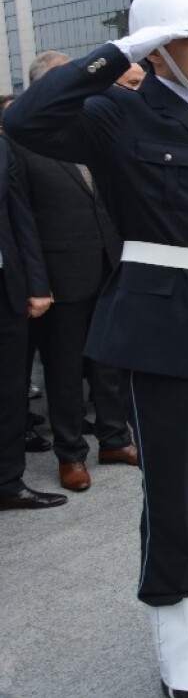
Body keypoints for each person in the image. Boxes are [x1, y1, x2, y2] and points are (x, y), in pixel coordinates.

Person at [4, 0, 188, 697]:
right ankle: (175, 638)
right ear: (159, 47)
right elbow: (29, 120)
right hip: (163, 329)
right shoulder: (117, 114)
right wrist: (120, 52)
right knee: (173, 490)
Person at [18, 52, 135, 493]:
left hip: (110, 262)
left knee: (108, 362)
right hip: (60, 275)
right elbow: (22, 218)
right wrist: (36, 281)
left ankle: (114, 438)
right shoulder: (24, 137)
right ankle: (70, 455)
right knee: (65, 370)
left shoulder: (96, 129)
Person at [0, 131, 63, 512]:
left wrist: (37, 283)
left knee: (9, 391)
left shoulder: (2, 144)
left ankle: (8, 482)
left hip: (6, 287)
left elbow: (19, 214)